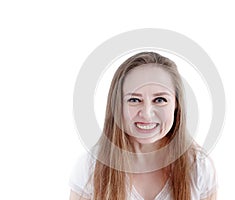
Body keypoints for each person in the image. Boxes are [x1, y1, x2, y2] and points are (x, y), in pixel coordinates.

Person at [69, 52, 217, 200]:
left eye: (160, 100)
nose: (147, 114)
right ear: (117, 105)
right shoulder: (90, 167)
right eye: (134, 100)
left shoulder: (199, 167)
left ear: (176, 104)